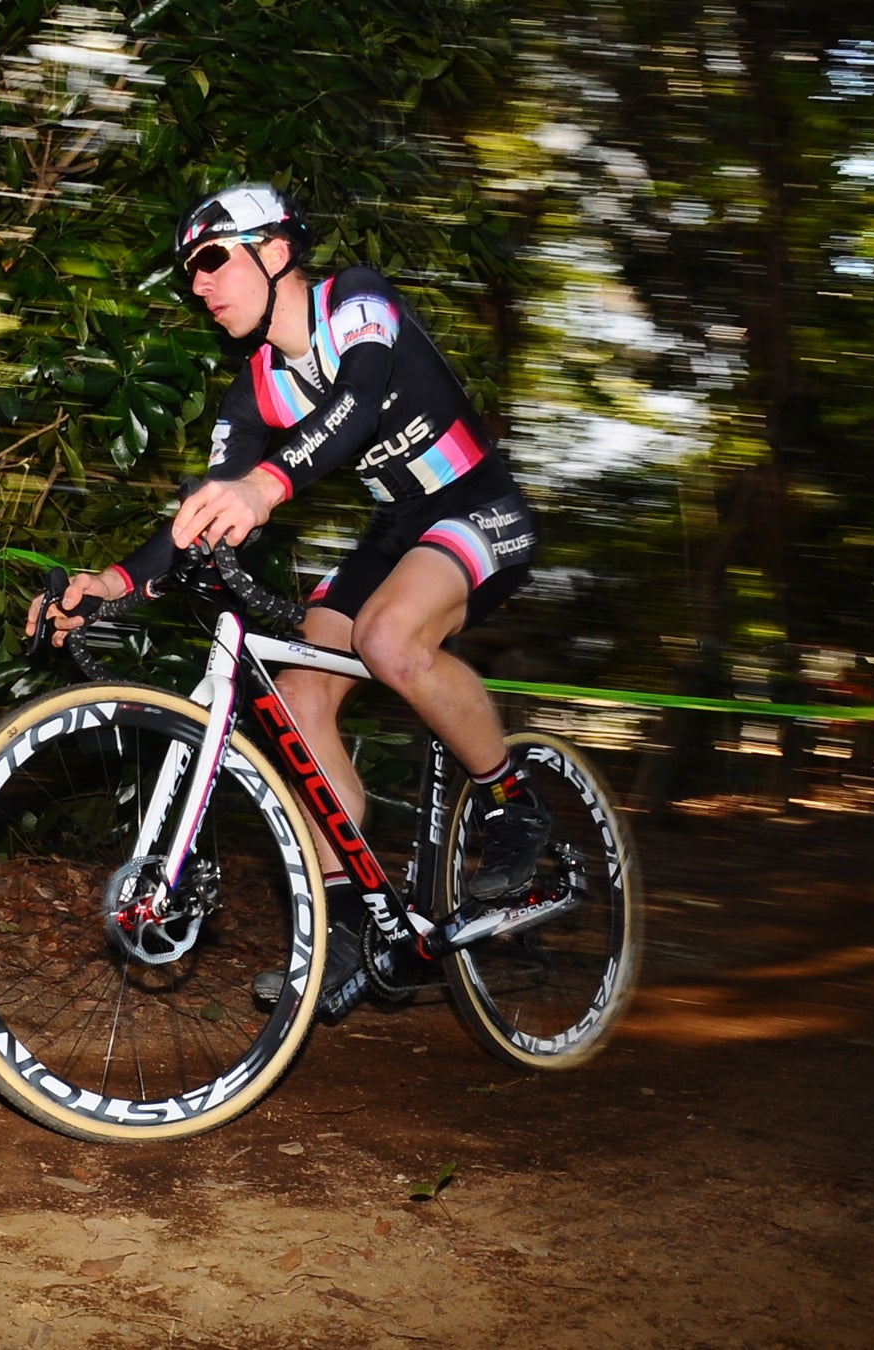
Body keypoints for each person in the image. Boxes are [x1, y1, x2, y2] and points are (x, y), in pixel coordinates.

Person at [27, 183, 547, 1005]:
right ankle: (351, 919)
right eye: (188, 271)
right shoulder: (257, 387)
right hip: (396, 529)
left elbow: (359, 397)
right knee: (298, 701)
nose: (197, 284)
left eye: (210, 261)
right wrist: (111, 584)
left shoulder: (358, 300)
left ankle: (511, 802)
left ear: (275, 253)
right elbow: (205, 508)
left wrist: (266, 488)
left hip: (475, 506)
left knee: (388, 638)